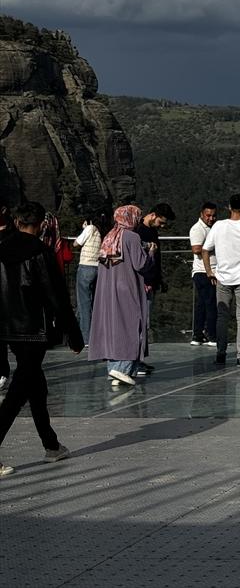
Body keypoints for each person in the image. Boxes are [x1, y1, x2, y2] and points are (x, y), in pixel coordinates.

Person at [0, 203, 82, 477]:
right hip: (34, 329)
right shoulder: (41, 253)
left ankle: (51, 445)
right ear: (42, 225)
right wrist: (74, 333)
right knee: (18, 390)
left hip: (8, 328)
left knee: (35, 384)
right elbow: (56, 296)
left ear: (16, 220)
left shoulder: (1, 250)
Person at [89, 205, 155, 386]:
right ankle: (123, 368)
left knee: (114, 328)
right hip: (127, 288)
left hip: (108, 290)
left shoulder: (110, 236)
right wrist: (150, 252)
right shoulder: (132, 237)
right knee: (132, 326)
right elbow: (140, 264)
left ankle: (114, 370)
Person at [201, 194, 240, 366]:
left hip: (223, 276)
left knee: (222, 316)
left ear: (229, 207)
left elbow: (205, 249)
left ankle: (221, 353)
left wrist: (209, 271)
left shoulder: (219, 225)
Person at [135, 202, 174, 371]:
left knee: (145, 323)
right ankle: (135, 360)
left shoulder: (151, 231)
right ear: (153, 215)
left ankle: (140, 359)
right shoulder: (139, 232)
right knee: (140, 322)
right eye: (161, 222)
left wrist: (159, 279)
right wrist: (147, 281)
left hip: (151, 282)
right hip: (144, 283)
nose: (162, 226)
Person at [73, 209, 110, 346]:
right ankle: (98, 336)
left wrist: (84, 228)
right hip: (98, 268)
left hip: (86, 267)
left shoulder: (90, 228)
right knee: (95, 303)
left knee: (84, 304)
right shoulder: (104, 231)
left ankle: (87, 338)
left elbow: (76, 243)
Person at [188, 202, 219, 347]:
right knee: (211, 303)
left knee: (202, 305)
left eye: (213, 215)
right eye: (208, 215)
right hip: (204, 271)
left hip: (207, 271)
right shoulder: (198, 229)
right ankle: (212, 335)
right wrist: (216, 249)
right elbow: (196, 249)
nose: (211, 218)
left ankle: (198, 335)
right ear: (202, 214)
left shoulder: (210, 228)